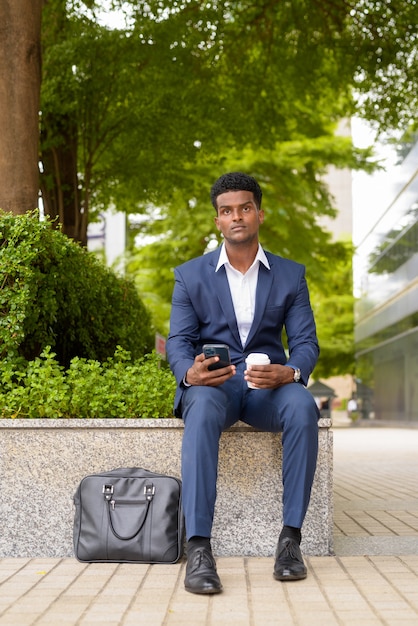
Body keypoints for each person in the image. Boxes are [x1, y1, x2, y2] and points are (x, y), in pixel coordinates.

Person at [166, 172, 320, 595]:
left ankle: (290, 541)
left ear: (259, 214)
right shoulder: (190, 275)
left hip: (270, 387)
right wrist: (189, 372)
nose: (237, 217)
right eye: (227, 210)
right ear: (217, 220)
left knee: (304, 406)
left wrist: (290, 372)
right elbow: (178, 341)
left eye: (245, 208)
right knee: (199, 408)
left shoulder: (290, 275)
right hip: (216, 385)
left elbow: (305, 342)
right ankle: (199, 547)